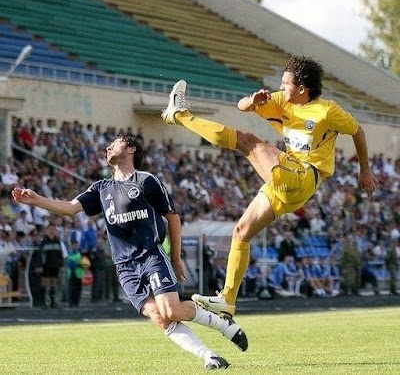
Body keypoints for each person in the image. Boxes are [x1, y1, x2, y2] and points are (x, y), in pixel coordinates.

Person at [161, 55, 377, 317]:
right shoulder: (280, 100)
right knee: (241, 232)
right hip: (288, 185)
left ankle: (180, 114)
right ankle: (227, 300)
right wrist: (253, 102)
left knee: (248, 141)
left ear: (302, 88)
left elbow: (357, 131)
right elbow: (241, 106)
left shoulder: (327, 111)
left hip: (305, 176)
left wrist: (364, 170)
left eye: (286, 83)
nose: (281, 86)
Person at [12, 134, 247, 370]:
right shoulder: (101, 188)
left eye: (113, 144)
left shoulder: (146, 181)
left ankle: (222, 323)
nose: (107, 148)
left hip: (151, 256)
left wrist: (175, 257)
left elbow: (173, 218)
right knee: (159, 317)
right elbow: (71, 208)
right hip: (124, 266)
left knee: (171, 310)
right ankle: (210, 356)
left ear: (131, 149)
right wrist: (38, 200)